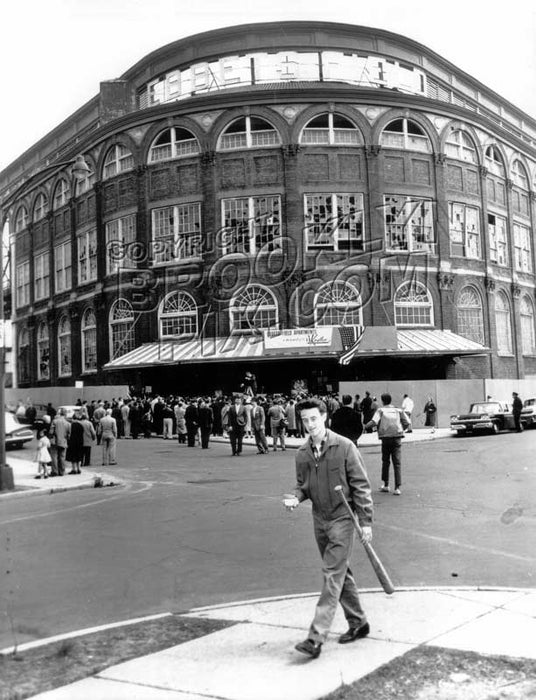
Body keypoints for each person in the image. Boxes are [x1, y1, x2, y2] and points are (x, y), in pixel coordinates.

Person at [285, 398, 373, 659]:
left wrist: (366, 522)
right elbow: (303, 486)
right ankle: (359, 622)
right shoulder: (302, 454)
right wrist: (295, 498)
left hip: (343, 519)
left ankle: (316, 637)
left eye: (314, 418)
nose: (310, 424)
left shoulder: (344, 447)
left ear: (324, 417)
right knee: (340, 573)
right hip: (319, 520)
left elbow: (361, 486)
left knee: (332, 573)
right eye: (305, 420)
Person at [365, 393, 410, 496]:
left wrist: (364, 426)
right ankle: (397, 487)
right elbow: (407, 422)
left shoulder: (380, 410)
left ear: (383, 401)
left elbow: (373, 422)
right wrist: (401, 429)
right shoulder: (398, 410)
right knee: (397, 462)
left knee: (385, 461)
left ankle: (386, 485)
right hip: (397, 437)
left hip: (385, 438)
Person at [49, 408, 71, 476]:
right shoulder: (68, 424)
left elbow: (51, 432)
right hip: (63, 441)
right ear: (65, 414)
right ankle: (62, 471)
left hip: (55, 441)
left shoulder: (55, 421)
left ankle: (55, 471)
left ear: (60, 413)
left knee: (54, 457)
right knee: (62, 457)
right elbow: (69, 435)